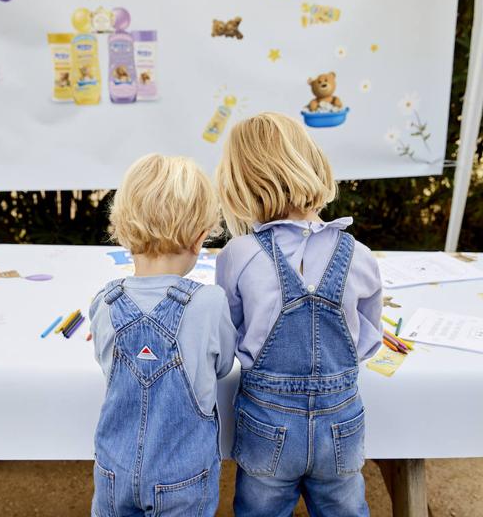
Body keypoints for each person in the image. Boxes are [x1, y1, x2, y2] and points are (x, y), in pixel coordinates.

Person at [215, 112, 383, 517]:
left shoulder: (238, 255)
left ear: (241, 185)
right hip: (340, 423)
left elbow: (227, 338)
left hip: (267, 425)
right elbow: (370, 338)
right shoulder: (359, 255)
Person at [90, 153, 236, 517]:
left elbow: (107, 366)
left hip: (112, 472)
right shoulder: (209, 302)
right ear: (200, 237)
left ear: (123, 227)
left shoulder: (105, 302)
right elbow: (223, 366)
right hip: (183, 476)